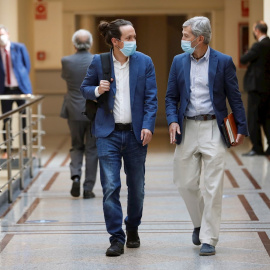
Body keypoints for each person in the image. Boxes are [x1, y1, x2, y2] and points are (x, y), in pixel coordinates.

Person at [165, 16, 248, 256]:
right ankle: (200, 222)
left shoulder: (223, 62)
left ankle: (209, 238)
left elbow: (234, 97)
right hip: (187, 127)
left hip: (214, 127)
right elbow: (171, 97)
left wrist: (241, 127)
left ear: (200, 39)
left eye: (185, 35)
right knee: (184, 182)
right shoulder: (178, 61)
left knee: (213, 186)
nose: (182, 39)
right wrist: (172, 120)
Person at [80, 19, 158, 257]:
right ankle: (116, 237)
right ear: (115, 41)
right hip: (108, 134)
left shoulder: (144, 62)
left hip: (136, 134)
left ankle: (132, 226)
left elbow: (151, 98)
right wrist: (97, 90)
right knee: (111, 186)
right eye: (129, 38)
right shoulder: (99, 62)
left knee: (137, 188)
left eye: (135, 36)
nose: (134, 41)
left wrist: (148, 126)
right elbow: (84, 88)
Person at [61, 29, 98, 199]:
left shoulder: (66, 61)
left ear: (74, 44)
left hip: (73, 109)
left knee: (76, 145)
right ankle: (88, 188)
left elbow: (66, 78)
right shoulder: (96, 60)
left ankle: (75, 176)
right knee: (92, 149)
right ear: (90, 43)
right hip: (93, 110)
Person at [0, 25, 32, 155]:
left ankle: (25, 149)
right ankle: (7, 149)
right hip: (5, 90)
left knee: (24, 119)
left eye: (1, 34)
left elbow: (27, 66)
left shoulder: (19, 47)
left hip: (20, 89)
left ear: (7, 34)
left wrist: (23, 83)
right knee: (7, 120)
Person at [240, 21, 270, 156]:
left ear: (257, 31)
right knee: (267, 118)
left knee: (253, 118)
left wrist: (247, 52)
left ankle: (257, 148)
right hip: (268, 88)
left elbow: (243, 59)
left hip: (256, 88)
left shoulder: (258, 46)